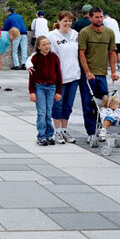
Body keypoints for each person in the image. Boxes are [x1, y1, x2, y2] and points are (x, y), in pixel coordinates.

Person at [78, 7, 119, 143]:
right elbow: (81, 53)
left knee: (104, 104)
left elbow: (112, 52)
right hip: (88, 75)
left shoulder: (109, 33)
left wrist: (113, 71)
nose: (99, 19)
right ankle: (90, 131)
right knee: (88, 103)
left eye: (101, 17)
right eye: (96, 17)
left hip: (102, 74)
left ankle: (102, 128)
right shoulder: (85, 33)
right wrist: (87, 71)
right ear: (90, 18)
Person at [47, 11, 81, 143]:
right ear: (59, 21)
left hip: (74, 75)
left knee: (68, 105)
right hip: (59, 77)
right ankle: (57, 131)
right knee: (57, 105)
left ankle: (64, 130)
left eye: (69, 21)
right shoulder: (52, 36)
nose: (67, 23)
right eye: (65, 21)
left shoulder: (75, 35)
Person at [28, 36, 62, 146]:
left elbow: (59, 75)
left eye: (48, 44)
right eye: (43, 44)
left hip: (51, 87)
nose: (47, 46)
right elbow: (32, 76)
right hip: (40, 87)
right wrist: (32, 91)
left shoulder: (54, 57)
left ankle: (49, 135)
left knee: (49, 112)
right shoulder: (36, 58)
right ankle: (41, 136)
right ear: (38, 47)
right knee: (42, 112)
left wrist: (59, 91)